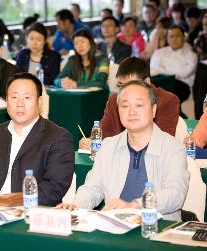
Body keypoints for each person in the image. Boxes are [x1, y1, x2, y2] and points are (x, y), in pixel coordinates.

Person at [60, 80, 189, 221]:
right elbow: (92, 188)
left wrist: (135, 205)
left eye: (139, 105)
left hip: (157, 229)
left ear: (153, 110)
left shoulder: (173, 148)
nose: (132, 112)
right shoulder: (108, 146)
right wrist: (75, 207)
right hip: (114, 227)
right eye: (125, 106)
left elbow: (175, 194)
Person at [0, 73, 75, 206]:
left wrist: (14, 203)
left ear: (39, 101)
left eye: (27, 97)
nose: (20, 104)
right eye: (14, 97)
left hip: (30, 213)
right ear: (7, 101)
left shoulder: (58, 137)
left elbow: (54, 187)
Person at [79, 57, 180, 149]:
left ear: (147, 82)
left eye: (132, 84)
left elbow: (164, 141)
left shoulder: (168, 100)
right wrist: (90, 142)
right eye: (122, 85)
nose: (126, 90)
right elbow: (103, 133)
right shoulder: (115, 99)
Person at [150, 25, 198, 118]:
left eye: (178, 36)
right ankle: (180, 117)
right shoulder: (159, 53)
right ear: (167, 39)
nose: (174, 39)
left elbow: (186, 72)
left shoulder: (191, 55)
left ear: (184, 38)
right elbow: (153, 70)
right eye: (171, 36)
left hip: (182, 86)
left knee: (171, 94)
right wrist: (176, 71)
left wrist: (163, 70)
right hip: (161, 83)